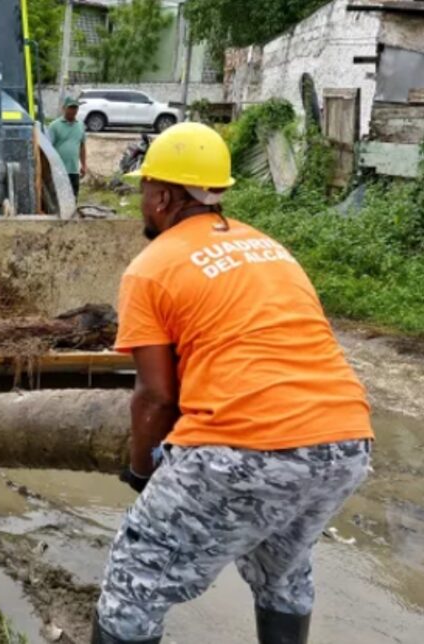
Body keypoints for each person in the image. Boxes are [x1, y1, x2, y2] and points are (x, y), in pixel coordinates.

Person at [91, 123, 374, 644]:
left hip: (243, 445)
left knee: (136, 579)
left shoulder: (151, 267)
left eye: (144, 190)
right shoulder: (269, 248)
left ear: (163, 196)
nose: (140, 203)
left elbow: (156, 397)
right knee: (284, 571)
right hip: (345, 442)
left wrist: (141, 471)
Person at [47, 96, 87, 200]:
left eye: (75, 108)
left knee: (73, 198)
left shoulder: (80, 125)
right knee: (59, 199)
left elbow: (82, 146)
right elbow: (48, 148)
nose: (73, 110)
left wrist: (83, 165)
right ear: (64, 108)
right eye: (71, 108)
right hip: (58, 171)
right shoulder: (54, 126)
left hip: (74, 170)